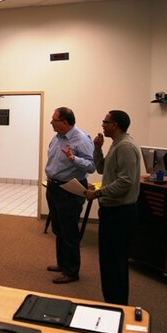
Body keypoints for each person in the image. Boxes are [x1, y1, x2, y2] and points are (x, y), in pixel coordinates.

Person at [85, 110, 140, 305]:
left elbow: (125, 181)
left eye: (105, 122)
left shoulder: (125, 147)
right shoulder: (116, 144)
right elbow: (102, 169)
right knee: (108, 261)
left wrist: (98, 193)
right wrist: (97, 148)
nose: (102, 125)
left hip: (119, 213)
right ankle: (112, 302)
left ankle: (118, 306)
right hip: (112, 210)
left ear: (114, 125)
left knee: (115, 262)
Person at [44, 107, 95, 284]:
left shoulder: (81, 139)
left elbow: (91, 166)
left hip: (70, 189)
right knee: (58, 229)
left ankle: (72, 272)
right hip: (54, 187)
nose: (51, 122)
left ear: (65, 122)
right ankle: (63, 264)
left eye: (54, 120)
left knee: (70, 231)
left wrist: (74, 159)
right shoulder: (57, 137)